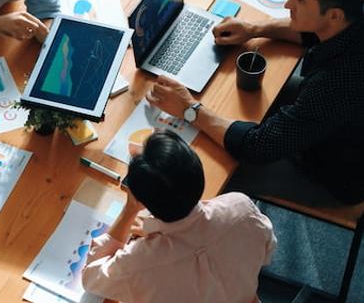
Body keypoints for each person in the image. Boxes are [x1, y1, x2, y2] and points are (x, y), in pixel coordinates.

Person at [147, 0, 364, 205]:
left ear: (334, 15)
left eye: (300, 0)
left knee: (199, 173)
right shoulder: (351, 13)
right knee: (231, 105)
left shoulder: (337, 83)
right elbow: (311, 31)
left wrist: (189, 109)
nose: (287, 4)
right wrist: (254, 29)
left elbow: (258, 147)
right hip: (333, 120)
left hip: (332, 175)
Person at [82, 130, 276, 303]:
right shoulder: (242, 208)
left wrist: (129, 210)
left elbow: (91, 279)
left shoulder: (139, 262)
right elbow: (268, 252)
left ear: (141, 200)